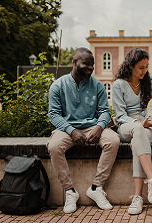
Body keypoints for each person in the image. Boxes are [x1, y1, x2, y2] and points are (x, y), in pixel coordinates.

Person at [47, 47, 120, 214]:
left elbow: (104, 111)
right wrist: (71, 130)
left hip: (92, 127)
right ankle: (70, 191)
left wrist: (99, 127)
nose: (90, 68)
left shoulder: (98, 86)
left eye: (92, 65)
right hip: (66, 128)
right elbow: (54, 115)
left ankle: (96, 187)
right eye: (86, 64)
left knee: (113, 141)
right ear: (74, 62)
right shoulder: (58, 85)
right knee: (54, 146)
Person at [112, 48, 152, 215]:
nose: (145, 71)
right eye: (141, 67)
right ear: (131, 66)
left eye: (147, 67)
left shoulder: (151, 81)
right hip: (127, 125)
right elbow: (120, 115)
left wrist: (148, 120)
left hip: (148, 127)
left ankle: (138, 197)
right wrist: (141, 123)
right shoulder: (119, 85)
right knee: (137, 129)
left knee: (137, 142)